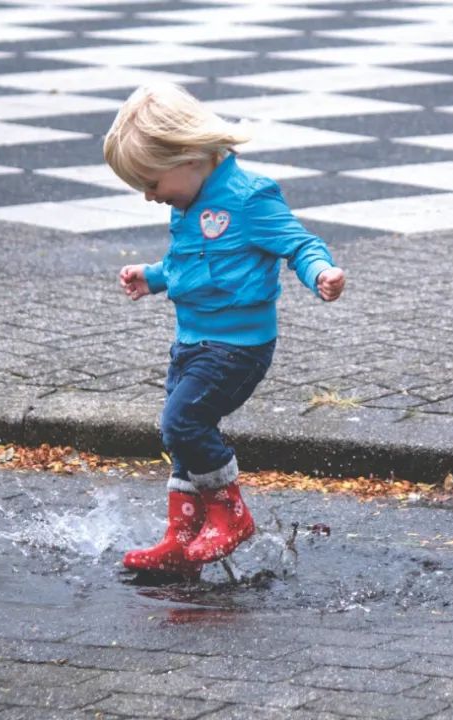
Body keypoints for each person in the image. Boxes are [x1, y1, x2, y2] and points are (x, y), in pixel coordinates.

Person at [103, 82, 346, 577]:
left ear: (189, 157)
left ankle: (231, 516)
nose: (150, 197)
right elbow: (188, 263)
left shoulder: (248, 197)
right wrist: (152, 277)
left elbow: (299, 244)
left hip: (238, 348)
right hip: (191, 343)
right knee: (184, 436)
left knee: (182, 423)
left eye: (151, 183)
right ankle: (183, 534)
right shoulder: (187, 204)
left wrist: (321, 272)